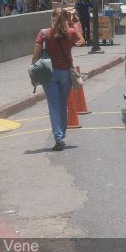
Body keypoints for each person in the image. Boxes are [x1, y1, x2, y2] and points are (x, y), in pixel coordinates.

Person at [30, 8, 79, 151]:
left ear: (51, 18)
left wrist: (33, 72)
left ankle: (58, 138)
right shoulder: (71, 33)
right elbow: (78, 38)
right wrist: (73, 21)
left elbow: (35, 56)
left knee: (54, 105)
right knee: (63, 104)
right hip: (65, 72)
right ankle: (61, 136)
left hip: (49, 73)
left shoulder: (44, 34)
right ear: (66, 18)